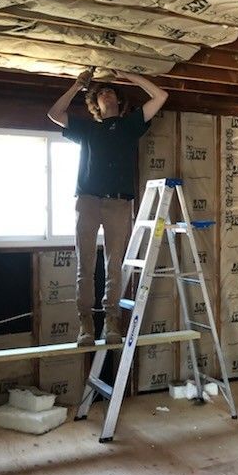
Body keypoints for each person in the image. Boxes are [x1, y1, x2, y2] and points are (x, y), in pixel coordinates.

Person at [48, 69, 168, 346]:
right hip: (88, 201)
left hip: (118, 202)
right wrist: (77, 85)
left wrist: (129, 75)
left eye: (111, 91)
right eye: (100, 93)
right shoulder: (87, 129)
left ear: (118, 100)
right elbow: (54, 113)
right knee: (85, 265)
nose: (106, 94)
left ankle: (112, 321)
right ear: (94, 104)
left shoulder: (130, 125)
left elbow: (161, 95)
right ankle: (86, 325)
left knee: (114, 265)